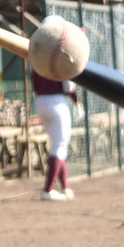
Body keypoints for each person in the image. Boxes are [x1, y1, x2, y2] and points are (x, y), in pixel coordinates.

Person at [31, 68, 83, 202]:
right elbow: (68, 85)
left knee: (59, 145)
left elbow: (35, 86)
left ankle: (65, 186)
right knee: (60, 145)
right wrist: (76, 101)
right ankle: (48, 190)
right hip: (56, 101)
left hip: (40, 101)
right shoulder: (59, 57)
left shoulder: (38, 58)